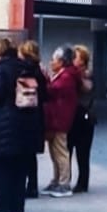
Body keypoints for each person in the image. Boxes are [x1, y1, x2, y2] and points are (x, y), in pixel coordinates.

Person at [0, 36, 43, 212]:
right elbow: (43, 93)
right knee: (20, 171)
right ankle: (18, 210)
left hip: (4, 128)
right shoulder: (29, 68)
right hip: (27, 126)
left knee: (1, 171)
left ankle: (3, 210)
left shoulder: (0, 69)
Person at [42, 46, 81, 197]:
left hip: (60, 119)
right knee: (54, 153)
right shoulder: (62, 74)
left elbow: (52, 90)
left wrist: (45, 78)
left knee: (61, 152)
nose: (51, 62)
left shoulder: (67, 77)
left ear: (62, 61)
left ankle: (64, 183)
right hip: (55, 118)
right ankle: (57, 180)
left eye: (54, 59)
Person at [17, 39, 51, 204]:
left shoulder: (22, 70)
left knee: (22, 153)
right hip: (36, 115)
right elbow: (45, 95)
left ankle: (23, 185)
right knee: (31, 155)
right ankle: (33, 185)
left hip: (23, 114)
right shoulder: (40, 71)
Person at [68, 44, 97, 194]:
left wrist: (77, 77)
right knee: (67, 151)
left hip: (84, 119)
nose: (73, 60)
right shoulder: (70, 73)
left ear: (83, 60)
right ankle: (66, 179)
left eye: (76, 57)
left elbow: (87, 88)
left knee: (83, 153)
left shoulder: (86, 75)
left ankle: (82, 182)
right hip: (72, 118)